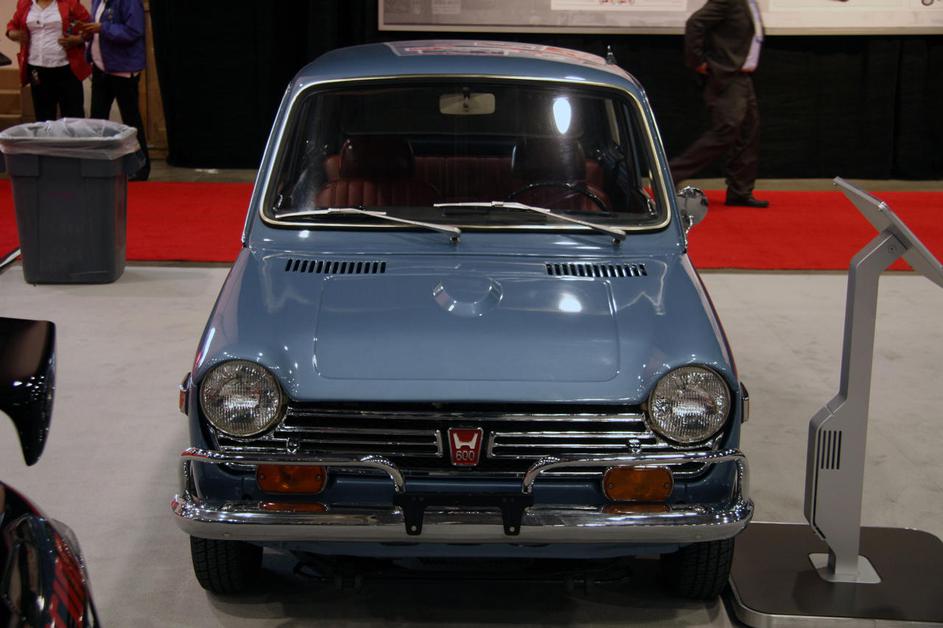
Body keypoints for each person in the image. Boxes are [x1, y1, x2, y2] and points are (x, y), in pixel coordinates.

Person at [668, 0, 769, 208]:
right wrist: (697, 61)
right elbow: (695, 23)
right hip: (726, 76)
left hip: (743, 77)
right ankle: (670, 174)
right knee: (726, 130)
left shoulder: (749, 2)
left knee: (748, 133)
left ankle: (740, 191)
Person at [78, 0, 148, 180]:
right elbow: (97, 30)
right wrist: (87, 33)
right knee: (97, 120)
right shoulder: (97, 1)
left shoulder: (130, 2)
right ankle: (97, 167)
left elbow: (134, 31)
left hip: (123, 69)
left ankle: (141, 168)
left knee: (131, 120)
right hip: (101, 68)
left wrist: (103, 28)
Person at [5, 0, 91, 121]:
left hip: (66, 68)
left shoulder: (70, 3)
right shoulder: (25, 3)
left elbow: (89, 25)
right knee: (43, 117)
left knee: (73, 116)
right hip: (36, 69)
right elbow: (12, 26)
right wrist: (14, 34)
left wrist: (78, 39)